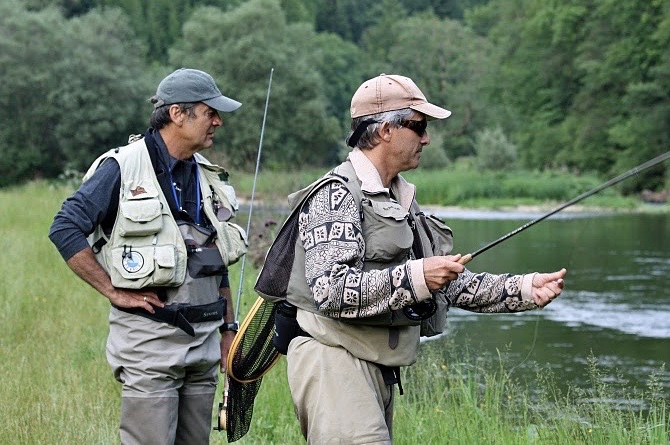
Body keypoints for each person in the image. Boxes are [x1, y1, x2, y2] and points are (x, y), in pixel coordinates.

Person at [258, 74, 567, 444]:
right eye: (418, 126)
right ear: (385, 130)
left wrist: (522, 289)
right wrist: (417, 276)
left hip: (372, 363)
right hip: (333, 359)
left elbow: (447, 282)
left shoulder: (398, 198)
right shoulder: (335, 195)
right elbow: (332, 290)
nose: (426, 138)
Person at [49, 68, 247, 445]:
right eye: (210, 112)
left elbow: (214, 260)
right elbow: (64, 227)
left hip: (205, 341)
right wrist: (113, 291)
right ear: (178, 113)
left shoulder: (208, 176)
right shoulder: (121, 167)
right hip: (149, 342)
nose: (218, 121)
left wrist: (228, 329)